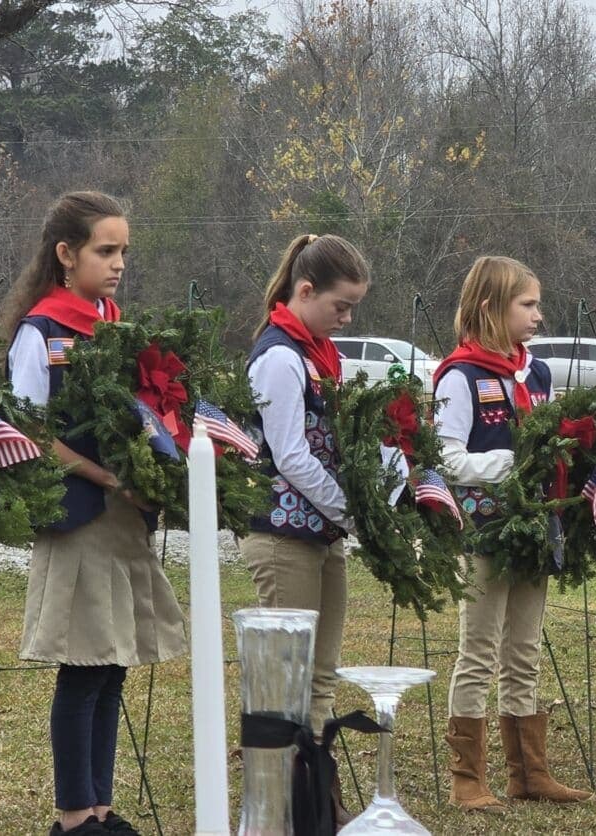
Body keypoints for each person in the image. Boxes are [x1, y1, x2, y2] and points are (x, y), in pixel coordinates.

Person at [3, 191, 187, 835]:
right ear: (65, 253)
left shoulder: (115, 326)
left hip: (124, 518)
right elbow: (25, 429)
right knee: (82, 668)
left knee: (112, 665)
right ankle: (73, 814)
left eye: (124, 252)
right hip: (81, 514)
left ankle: (101, 808)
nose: (117, 264)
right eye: (105, 251)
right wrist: (107, 475)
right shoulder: (42, 330)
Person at [433, 255, 591, 811]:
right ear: (489, 308)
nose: (538, 315)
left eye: (537, 304)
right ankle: (467, 778)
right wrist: (513, 460)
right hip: (485, 529)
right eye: (527, 304)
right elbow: (445, 458)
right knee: (478, 651)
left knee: (524, 650)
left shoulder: (534, 374)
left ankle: (529, 771)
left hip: (534, 527)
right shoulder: (461, 376)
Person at [241, 232, 370, 823]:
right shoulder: (278, 356)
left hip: (322, 535)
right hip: (283, 534)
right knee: (284, 685)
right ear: (305, 289)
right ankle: (279, 804)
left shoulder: (318, 355)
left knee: (321, 676)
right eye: (340, 306)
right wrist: (351, 510)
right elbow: (290, 455)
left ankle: (317, 797)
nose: (345, 319)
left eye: (352, 309)